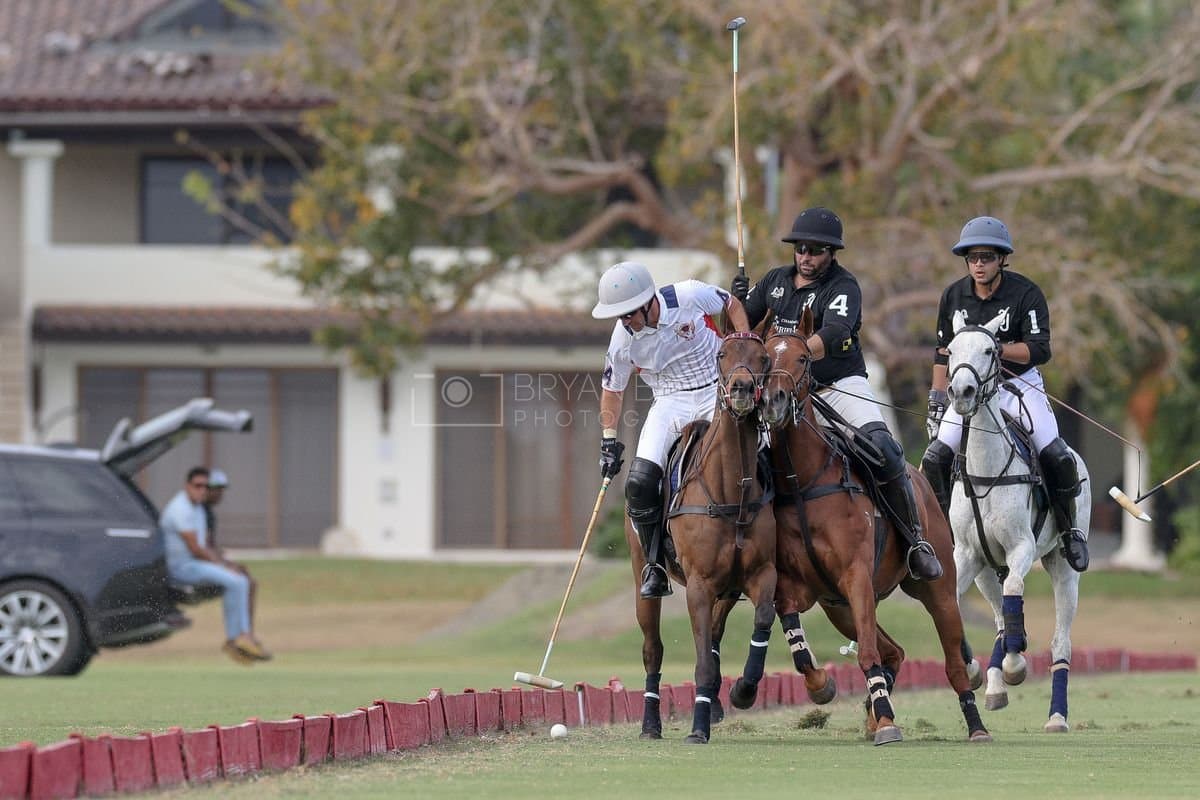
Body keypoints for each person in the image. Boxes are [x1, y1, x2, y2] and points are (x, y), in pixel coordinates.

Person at [730, 206, 942, 581]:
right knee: (743, 456)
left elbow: (835, 331)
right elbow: (742, 336)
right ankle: (740, 544)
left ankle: (915, 541)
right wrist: (736, 305)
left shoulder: (843, 287)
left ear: (831, 253)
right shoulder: (775, 282)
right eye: (800, 249)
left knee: (885, 451)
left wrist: (794, 356)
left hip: (838, 385)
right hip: (782, 391)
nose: (806, 257)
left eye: (815, 250)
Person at [919, 216, 1089, 572]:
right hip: (968, 391)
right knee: (935, 457)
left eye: (987, 257)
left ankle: (1069, 529)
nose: (979, 264)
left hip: (1018, 386)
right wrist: (937, 398)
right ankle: (938, 536)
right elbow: (941, 352)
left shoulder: (1025, 293)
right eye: (973, 258)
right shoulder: (953, 295)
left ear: (1001, 259)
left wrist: (994, 348)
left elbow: (1040, 349)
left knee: (1057, 454)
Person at [593, 260, 751, 598]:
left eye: (629, 313)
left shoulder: (689, 295)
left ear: (649, 301)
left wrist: (740, 343)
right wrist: (609, 441)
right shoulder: (622, 339)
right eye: (620, 316)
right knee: (639, 482)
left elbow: (731, 304)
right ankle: (655, 564)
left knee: (763, 450)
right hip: (668, 401)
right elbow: (612, 389)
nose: (626, 322)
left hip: (716, 390)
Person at [160, 467, 271, 664]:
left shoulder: (198, 508)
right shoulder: (181, 508)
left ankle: (239, 639)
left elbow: (206, 546)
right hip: (180, 567)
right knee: (237, 582)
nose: (203, 490)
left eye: (206, 486)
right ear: (187, 485)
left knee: (240, 581)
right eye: (198, 486)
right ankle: (240, 638)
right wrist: (226, 566)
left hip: (193, 563)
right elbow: (197, 549)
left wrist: (227, 564)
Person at [202, 468, 263, 644]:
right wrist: (224, 564)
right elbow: (201, 547)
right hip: (196, 563)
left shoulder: (208, 513)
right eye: (216, 488)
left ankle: (245, 633)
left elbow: (208, 544)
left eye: (222, 489)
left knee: (246, 577)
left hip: (208, 560)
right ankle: (243, 635)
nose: (220, 493)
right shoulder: (199, 511)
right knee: (244, 582)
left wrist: (222, 557)